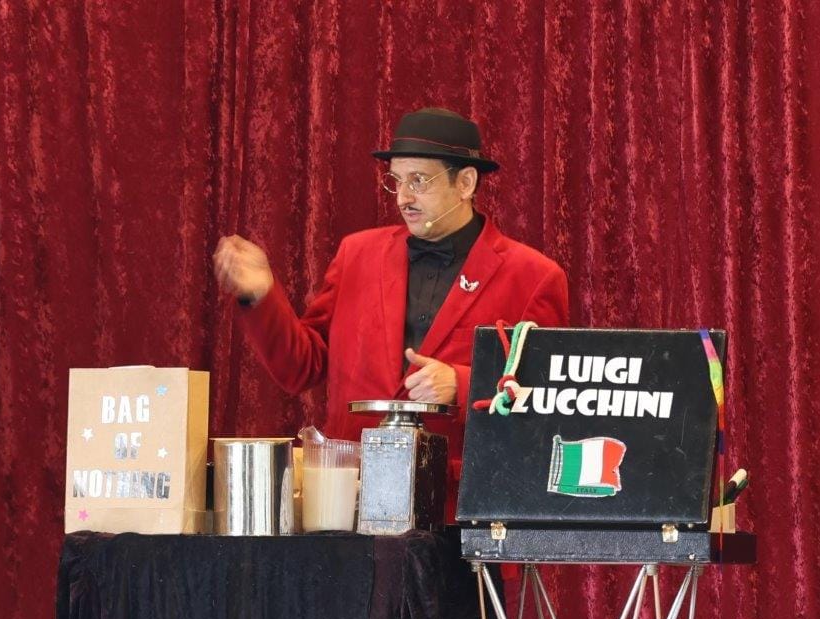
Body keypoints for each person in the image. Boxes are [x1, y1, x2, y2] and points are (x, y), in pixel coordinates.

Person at [213, 107, 569, 521]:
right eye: (397, 181)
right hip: (351, 505)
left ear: (466, 182)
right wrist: (262, 296)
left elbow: (549, 397)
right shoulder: (356, 255)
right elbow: (301, 367)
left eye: (419, 180)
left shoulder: (533, 277)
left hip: (461, 509)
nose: (403, 197)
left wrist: (462, 382)